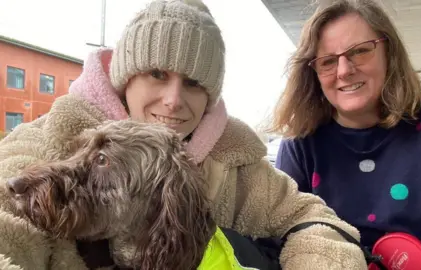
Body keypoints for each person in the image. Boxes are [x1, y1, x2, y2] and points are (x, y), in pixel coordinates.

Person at [0, 0, 368, 269]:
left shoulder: (234, 158)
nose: (174, 100)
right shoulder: (53, 134)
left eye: (192, 83)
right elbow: (9, 219)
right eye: (157, 74)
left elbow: (313, 219)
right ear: (126, 78)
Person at [270, 0, 421, 269]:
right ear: (314, 73)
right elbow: (279, 242)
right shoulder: (300, 143)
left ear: (388, 52)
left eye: (359, 51)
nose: (344, 71)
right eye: (328, 61)